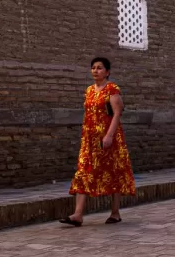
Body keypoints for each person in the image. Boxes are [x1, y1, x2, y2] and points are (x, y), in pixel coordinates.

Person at [60, 56, 136, 226]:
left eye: (100, 68)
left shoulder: (112, 89)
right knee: (83, 171)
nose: (95, 70)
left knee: (113, 171)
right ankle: (77, 215)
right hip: (90, 139)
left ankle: (115, 212)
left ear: (107, 72)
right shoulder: (89, 90)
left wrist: (109, 136)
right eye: (93, 67)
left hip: (109, 138)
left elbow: (117, 113)